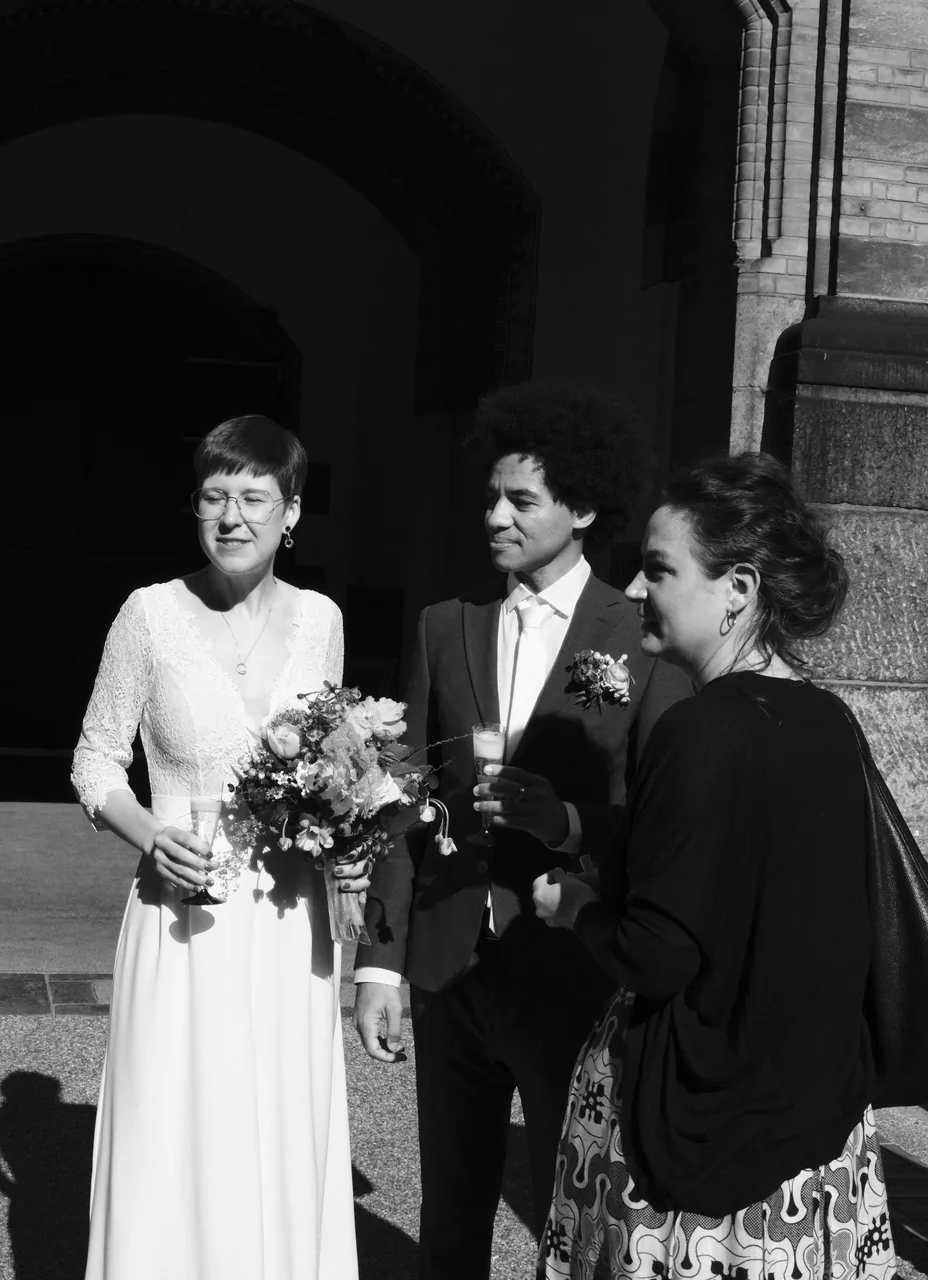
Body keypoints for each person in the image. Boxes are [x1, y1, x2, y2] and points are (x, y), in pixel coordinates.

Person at [530, 452, 894, 1280]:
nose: (634, 589)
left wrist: (577, 908)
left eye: (659, 569)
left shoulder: (698, 731)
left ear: (739, 588)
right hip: (813, 1141)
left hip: (692, 1151)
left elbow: (659, 953)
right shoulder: (829, 722)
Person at [353, 382, 689, 1278]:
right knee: (449, 1216)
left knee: (570, 1215)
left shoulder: (639, 637)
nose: (496, 517)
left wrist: (570, 826)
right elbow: (405, 797)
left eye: (522, 501)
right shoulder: (446, 625)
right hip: (450, 966)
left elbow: (659, 814)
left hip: (573, 968)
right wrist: (379, 961)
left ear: (582, 509)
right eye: (491, 497)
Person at [70, 416, 362, 1280]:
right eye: (214, 497)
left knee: (278, 1113)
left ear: (291, 512)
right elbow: (94, 759)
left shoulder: (321, 620)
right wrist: (151, 835)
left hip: (289, 918)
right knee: (173, 1116)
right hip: (179, 910)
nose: (232, 517)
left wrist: (350, 837)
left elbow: (336, 762)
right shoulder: (149, 614)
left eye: (254, 498)